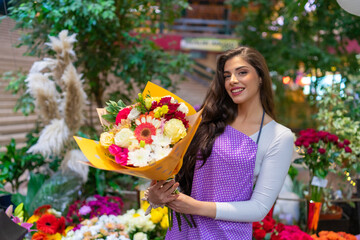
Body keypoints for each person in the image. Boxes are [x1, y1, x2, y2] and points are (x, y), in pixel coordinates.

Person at [146, 46, 294, 239]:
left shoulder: (279, 136)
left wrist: (197, 207)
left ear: (260, 77)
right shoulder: (206, 122)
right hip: (183, 232)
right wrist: (156, 196)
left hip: (228, 235)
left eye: (242, 72)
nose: (232, 80)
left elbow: (259, 208)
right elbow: (177, 174)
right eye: (227, 75)